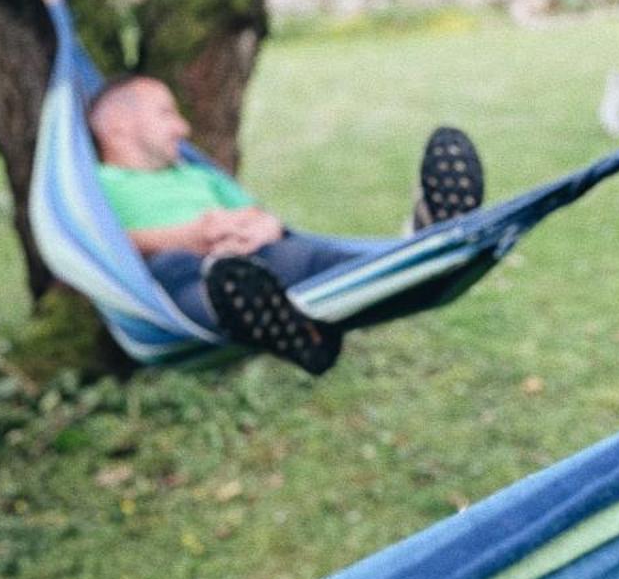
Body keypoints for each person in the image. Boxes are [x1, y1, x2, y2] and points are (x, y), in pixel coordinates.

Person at [89, 75, 484, 374]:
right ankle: (244, 302)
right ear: (118, 125)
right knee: (180, 270)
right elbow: (97, 245)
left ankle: (422, 243)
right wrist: (188, 237)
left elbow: (257, 213)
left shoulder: (195, 174)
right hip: (178, 275)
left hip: (255, 256)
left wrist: (261, 228)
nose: (182, 127)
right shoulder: (95, 183)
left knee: (309, 255)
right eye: (165, 113)